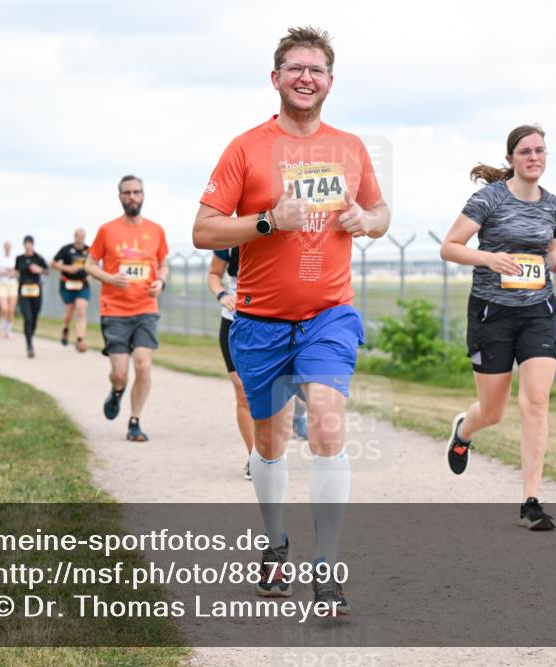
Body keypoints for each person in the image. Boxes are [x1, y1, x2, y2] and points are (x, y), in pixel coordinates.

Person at [192, 26, 389, 614]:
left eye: (317, 70)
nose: (306, 78)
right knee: (272, 441)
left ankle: (326, 568)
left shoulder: (350, 147)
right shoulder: (246, 148)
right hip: (259, 319)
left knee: (327, 425)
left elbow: (380, 211)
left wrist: (366, 220)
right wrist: (266, 221)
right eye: (295, 68)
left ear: (331, 80)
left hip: (329, 312)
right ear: (275, 77)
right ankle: (275, 540)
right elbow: (203, 230)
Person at [438, 125, 556, 531]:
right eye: (526, 151)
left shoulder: (554, 205)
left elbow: (549, 252)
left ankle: (531, 500)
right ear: (511, 158)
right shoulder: (489, 199)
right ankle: (464, 430)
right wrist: (489, 260)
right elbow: (449, 246)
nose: (534, 157)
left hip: (538, 310)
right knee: (494, 411)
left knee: (536, 401)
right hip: (491, 313)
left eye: (540, 151)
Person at [84, 175, 169, 441]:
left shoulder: (156, 230)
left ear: (143, 195)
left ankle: (135, 422)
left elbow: (163, 264)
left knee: (143, 365)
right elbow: (89, 264)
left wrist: (161, 281)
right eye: (127, 193)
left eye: (137, 192)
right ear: (120, 197)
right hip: (115, 310)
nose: (132, 197)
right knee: (120, 373)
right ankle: (117, 390)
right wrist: (109, 278)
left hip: (145, 306)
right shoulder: (107, 230)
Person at [207, 247, 256, 480]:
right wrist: (221, 294)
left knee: (276, 391)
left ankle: (272, 451)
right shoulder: (229, 233)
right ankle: (255, 457)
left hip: (272, 321)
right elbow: (214, 274)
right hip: (234, 322)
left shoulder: (280, 226)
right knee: (242, 390)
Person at [52, 228, 91, 352]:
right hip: (67, 283)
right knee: (69, 312)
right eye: (78, 236)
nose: (80, 239)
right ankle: (66, 328)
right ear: (75, 237)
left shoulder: (88, 250)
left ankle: (80, 339)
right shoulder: (66, 249)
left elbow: (94, 264)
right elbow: (52, 263)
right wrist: (66, 268)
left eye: (82, 237)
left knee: (81, 310)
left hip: (82, 284)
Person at [15, 235, 48, 358]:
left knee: (34, 318)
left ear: (33, 245)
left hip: (36, 290)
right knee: (27, 318)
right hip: (24, 291)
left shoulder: (38, 258)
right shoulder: (19, 258)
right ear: (24, 245)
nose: (28, 246)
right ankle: (29, 345)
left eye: (30, 243)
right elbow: (16, 271)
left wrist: (39, 270)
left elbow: (47, 271)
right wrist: (11, 273)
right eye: (26, 244)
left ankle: (30, 335)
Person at [0, 241, 18, 338]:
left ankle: (9, 329)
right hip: (2, 284)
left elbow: (18, 272)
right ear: (4, 247)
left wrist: (13, 273)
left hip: (12, 284)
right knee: (4, 308)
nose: (7, 248)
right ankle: (2, 323)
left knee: (11, 310)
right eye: (6, 246)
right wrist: (1, 273)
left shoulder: (15, 259)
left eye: (9, 246)